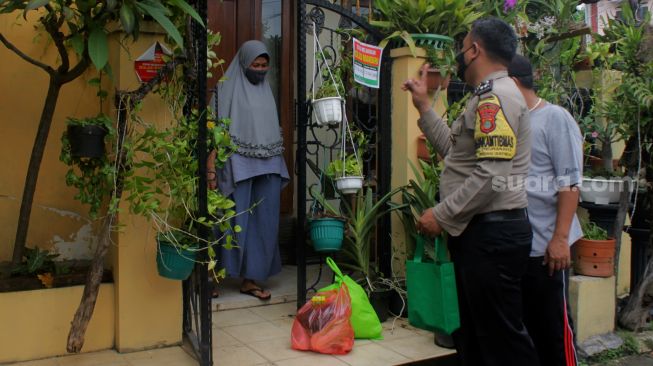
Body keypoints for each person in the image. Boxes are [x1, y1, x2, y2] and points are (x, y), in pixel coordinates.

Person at [402, 17, 539, 365]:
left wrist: (442, 215)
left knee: (501, 342)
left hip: (492, 236)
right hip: (482, 235)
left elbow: (492, 174)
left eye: (462, 48)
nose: (459, 56)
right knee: (477, 338)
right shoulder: (484, 97)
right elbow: (455, 151)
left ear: (475, 50)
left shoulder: (496, 98)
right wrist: (424, 106)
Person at [509, 54, 582, 366]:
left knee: (553, 335)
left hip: (548, 252)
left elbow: (569, 183)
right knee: (525, 339)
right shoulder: (509, 123)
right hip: (517, 252)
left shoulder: (555, 118)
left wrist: (560, 238)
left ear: (512, 83)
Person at [207, 40, 289, 300]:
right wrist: (211, 164)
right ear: (244, 64)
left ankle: (250, 280)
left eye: (265, 65)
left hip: (268, 165)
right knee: (229, 220)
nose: (261, 69)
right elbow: (214, 128)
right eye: (256, 64)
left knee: (262, 223)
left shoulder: (266, 91)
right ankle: (213, 277)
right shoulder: (226, 89)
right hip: (236, 164)